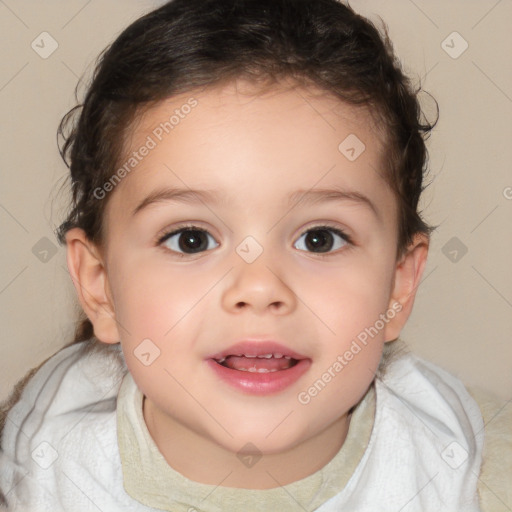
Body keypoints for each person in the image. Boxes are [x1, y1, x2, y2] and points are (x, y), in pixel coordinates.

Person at [0, 0, 510, 510]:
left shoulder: (472, 473)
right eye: (191, 239)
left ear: (399, 286)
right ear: (100, 286)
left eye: (320, 238)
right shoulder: (40, 476)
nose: (260, 288)